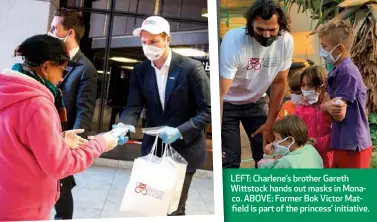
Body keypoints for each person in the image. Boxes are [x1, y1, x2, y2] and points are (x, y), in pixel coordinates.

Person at [0, 34, 123, 221]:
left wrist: (59, 139)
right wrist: (101, 143)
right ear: (47, 67)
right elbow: (60, 166)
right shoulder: (38, 105)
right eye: (62, 71)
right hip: (24, 209)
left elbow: (14, 141)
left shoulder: (7, 90)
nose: (61, 78)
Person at [116, 16, 211, 216]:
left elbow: (207, 111)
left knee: (174, 208)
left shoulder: (191, 68)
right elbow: (133, 106)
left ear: (167, 39)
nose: (148, 47)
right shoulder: (141, 71)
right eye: (144, 42)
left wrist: (179, 131)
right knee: (150, 205)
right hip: (154, 148)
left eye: (154, 41)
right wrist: (125, 125)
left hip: (184, 149)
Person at [219, 0, 294, 168]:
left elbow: (279, 82)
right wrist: (217, 134)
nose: (266, 35)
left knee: (266, 155)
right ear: (250, 24)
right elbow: (220, 93)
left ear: (280, 27)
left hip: (257, 101)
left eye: (272, 30)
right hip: (228, 103)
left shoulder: (286, 41)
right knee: (229, 159)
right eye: (260, 29)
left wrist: (270, 123)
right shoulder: (234, 42)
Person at [48, 8, 98, 219]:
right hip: (45, 130)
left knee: (62, 187)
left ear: (70, 33)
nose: (50, 31)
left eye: (54, 28)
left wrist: (75, 145)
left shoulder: (85, 69)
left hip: (64, 139)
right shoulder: (48, 59)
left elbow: (84, 111)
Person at [317, 19, 372, 168]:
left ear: (339, 48)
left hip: (353, 144)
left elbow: (339, 113)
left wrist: (325, 106)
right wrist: (327, 105)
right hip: (342, 141)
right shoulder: (336, 69)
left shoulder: (347, 72)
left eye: (324, 46)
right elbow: (328, 103)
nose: (321, 51)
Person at [295, 65, 333, 168]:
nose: (306, 89)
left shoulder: (331, 108)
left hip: (327, 160)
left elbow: (338, 135)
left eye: (310, 85)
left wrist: (318, 142)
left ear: (322, 85)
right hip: (305, 159)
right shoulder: (298, 107)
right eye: (303, 85)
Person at [259, 115, 323, 169]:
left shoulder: (287, 162)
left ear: (290, 141)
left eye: (278, 139)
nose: (274, 142)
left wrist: (268, 156)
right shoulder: (311, 148)